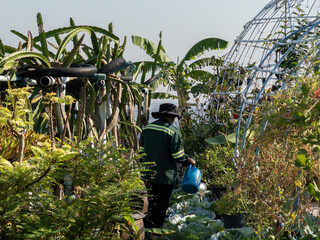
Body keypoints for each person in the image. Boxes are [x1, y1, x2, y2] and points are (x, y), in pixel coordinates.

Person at [139, 103, 196, 239]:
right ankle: (156, 231)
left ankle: (147, 229)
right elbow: (178, 155)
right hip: (165, 175)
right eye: (174, 117)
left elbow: (141, 150)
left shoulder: (147, 128)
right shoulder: (172, 131)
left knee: (152, 201)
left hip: (148, 173)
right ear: (170, 117)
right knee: (162, 203)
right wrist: (188, 160)